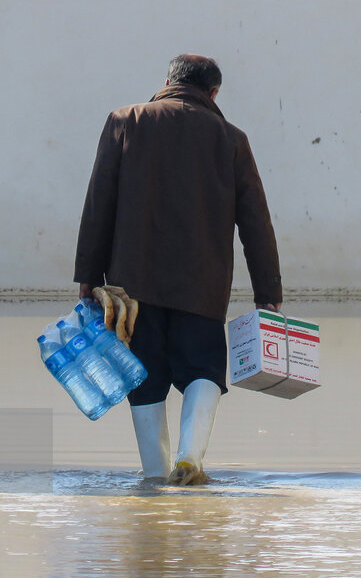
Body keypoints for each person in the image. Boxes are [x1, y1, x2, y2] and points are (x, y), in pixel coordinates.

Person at [74, 54, 282, 485]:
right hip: (202, 287)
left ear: (166, 80)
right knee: (204, 370)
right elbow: (256, 223)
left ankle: (153, 474)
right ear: (214, 93)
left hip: (132, 288)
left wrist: (88, 279)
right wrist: (268, 294)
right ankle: (189, 459)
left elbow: (99, 204)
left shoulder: (124, 121)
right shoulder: (231, 139)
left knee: (142, 376)